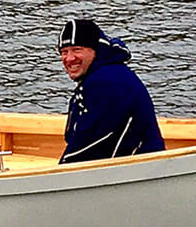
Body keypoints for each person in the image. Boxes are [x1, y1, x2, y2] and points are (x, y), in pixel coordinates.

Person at [56, 17, 163, 163]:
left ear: (94, 50)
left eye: (77, 50)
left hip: (137, 169)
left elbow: (90, 142)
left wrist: (57, 173)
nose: (69, 58)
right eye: (64, 52)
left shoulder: (108, 81)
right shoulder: (101, 75)